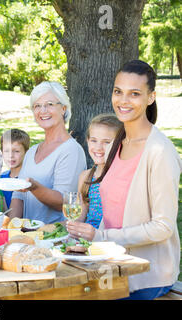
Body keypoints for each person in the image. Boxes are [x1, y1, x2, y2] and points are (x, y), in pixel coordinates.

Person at [66, 60, 181, 300]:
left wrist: (101, 237)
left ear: (151, 97)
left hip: (145, 273)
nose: (123, 100)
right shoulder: (117, 143)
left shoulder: (160, 151)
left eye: (135, 94)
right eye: (118, 91)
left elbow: (163, 227)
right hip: (109, 262)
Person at [9, 81, 86, 224]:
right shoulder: (32, 151)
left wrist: (34, 187)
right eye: (37, 106)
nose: (42, 110)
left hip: (55, 238)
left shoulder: (71, 150)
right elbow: (18, 195)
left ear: (63, 108)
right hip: (29, 236)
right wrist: (12, 228)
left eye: (50, 104)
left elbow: (63, 203)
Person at [74, 113, 123, 229]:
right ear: (87, 140)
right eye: (94, 140)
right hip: (87, 240)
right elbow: (80, 216)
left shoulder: (122, 177)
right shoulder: (85, 176)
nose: (98, 147)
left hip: (111, 241)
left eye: (106, 142)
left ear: (119, 144)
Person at [0, 129, 30, 209]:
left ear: (26, 152)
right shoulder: (2, 179)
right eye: (6, 151)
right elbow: (6, 210)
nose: (11, 155)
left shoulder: (28, 180)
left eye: (16, 151)